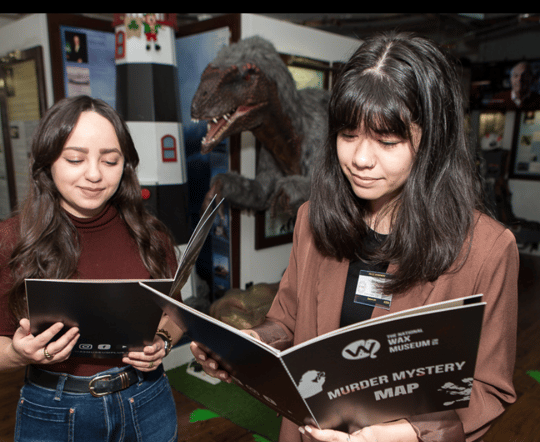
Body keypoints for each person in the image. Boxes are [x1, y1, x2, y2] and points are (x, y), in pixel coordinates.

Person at [191, 33, 519, 442]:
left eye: (386, 141)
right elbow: (288, 320)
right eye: (348, 135)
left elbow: (488, 387)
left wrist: (407, 432)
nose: (361, 159)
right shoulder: (313, 220)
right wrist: (248, 344)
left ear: (432, 140)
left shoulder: (486, 249)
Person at [0, 96, 183, 442]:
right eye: (75, 158)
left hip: (148, 399)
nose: (95, 174)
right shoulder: (10, 240)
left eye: (110, 160)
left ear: (125, 165)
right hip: (55, 409)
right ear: (47, 162)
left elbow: (174, 313)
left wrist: (162, 341)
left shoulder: (151, 235)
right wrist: (15, 352)